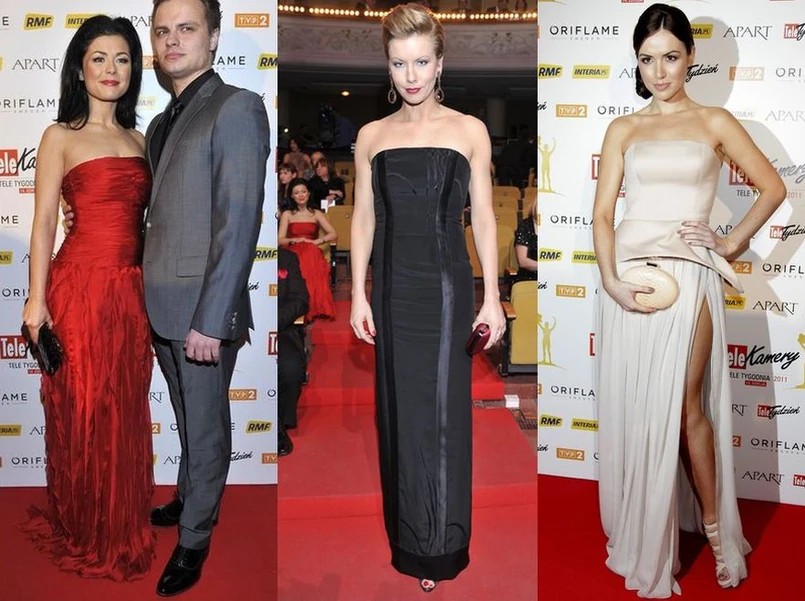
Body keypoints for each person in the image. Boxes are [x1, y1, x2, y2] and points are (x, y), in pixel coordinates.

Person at [592, 4, 785, 597]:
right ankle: (649, 529)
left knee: (684, 405)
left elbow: (774, 187)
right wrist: (610, 281)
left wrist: (730, 240)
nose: (659, 71)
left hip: (690, 275)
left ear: (691, 57)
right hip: (630, 279)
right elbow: (602, 216)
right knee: (640, 409)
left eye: (670, 57)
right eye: (647, 59)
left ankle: (716, 531)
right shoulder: (623, 128)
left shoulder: (714, 121)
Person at [349, 4, 505, 593]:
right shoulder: (371, 137)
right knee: (399, 416)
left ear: (440, 63)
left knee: (441, 418)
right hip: (392, 291)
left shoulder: (469, 130)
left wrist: (492, 297)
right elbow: (363, 219)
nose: (410, 75)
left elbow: (483, 217)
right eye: (399, 63)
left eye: (420, 62)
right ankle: (409, 539)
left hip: (445, 292)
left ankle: (442, 545)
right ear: (387, 67)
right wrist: (358, 294)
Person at [20, 15, 155, 581]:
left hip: (131, 294)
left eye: (122, 59)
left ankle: (119, 526)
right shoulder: (60, 135)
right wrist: (35, 299)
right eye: (99, 58)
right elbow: (44, 222)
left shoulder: (141, 141)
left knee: (123, 410)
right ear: (79, 68)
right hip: (78, 289)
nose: (111, 69)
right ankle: (84, 524)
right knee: (83, 409)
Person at [143, 0, 269, 595]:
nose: (172, 40)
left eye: (187, 28)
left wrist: (212, 320)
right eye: (162, 31)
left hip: (202, 314)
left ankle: (194, 540)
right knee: (188, 420)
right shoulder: (159, 123)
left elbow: (238, 221)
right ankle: (190, 496)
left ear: (214, 37)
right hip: (162, 305)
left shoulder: (237, 106)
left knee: (208, 425)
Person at [278, 178, 337, 321]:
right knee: (298, 259)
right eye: (296, 193)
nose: (301, 195)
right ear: (292, 196)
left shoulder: (316, 213)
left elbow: (333, 234)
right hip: (292, 250)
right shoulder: (287, 214)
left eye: (303, 191)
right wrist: (294, 240)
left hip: (311, 250)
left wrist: (317, 241)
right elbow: (279, 240)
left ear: (308, 193)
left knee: (310, 255)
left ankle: (310, 307)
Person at [277, 248, 309, 456]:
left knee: (291, 368)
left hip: (280, 328)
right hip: (238, 330)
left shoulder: (287, 258)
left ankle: (278, 424)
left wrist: (274, 318)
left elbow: (301, 299)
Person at [513, 199, 537, 282]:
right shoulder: (525, 226)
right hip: (529, 278)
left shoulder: (559, 228)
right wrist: (548, 267)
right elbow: (523, 261)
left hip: (554, 277)